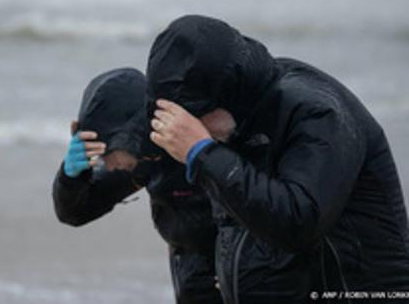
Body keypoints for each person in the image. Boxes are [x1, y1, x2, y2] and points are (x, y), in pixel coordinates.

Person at [146, 15, 409, 303]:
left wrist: (203, 153)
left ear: (229, 93)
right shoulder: (235, 121)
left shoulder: (315, 111)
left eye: (195, 118)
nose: (194, 130)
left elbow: (298, 222)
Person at [52, 67, 223, 304]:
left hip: (242, 277)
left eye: (104, 150)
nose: (105, 165)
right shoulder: (141, 161)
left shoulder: (201, 141)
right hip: (192, 277)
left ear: (127, 134)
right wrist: (72, 177)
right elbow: (76, 212)